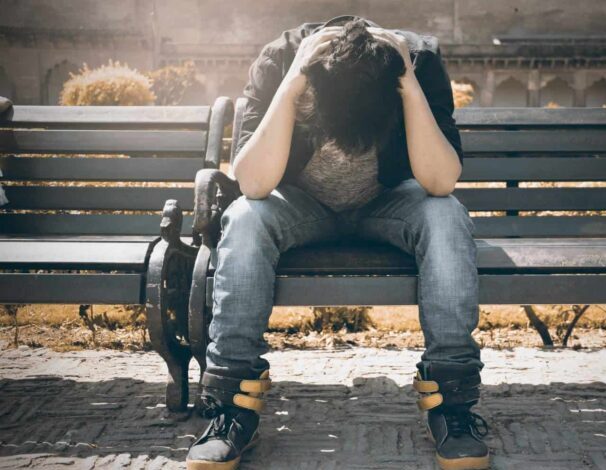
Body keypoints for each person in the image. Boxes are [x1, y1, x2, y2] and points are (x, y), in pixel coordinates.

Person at [186, 15, 488, 470]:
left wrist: (406, 85)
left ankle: (453, 403)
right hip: (300, 204)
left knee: (447, 215)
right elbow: (252, 183)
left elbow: (441, 181)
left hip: (387, 203)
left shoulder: (418, 62)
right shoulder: (280, 60)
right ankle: (229, 406)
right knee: (245, 218)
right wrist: (292, 84)